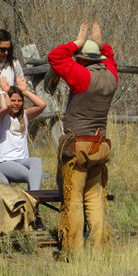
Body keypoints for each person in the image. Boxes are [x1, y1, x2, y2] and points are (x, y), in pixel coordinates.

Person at [48, 21, 117, 258]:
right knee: (95, 198)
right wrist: (101, 45)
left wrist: (76, 42)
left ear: (82, 59)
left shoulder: (81, 76)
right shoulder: (111, 78)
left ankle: (73, 251)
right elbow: (111, 59)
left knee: (74, 198)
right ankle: (99, 249)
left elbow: (55, 57)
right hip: (100, 146)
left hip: (77, 146)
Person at [0, 75, 47, 229]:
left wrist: (25, 91)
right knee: (30, 175)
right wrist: (3, 93)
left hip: (22, 159)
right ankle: (35, 213)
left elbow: (42, 104)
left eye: (19, 100)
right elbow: (4, 108)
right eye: (13, 100)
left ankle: (33, 210)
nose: (16, 104)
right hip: (4, 162)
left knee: (36, 161)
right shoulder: (2, 116)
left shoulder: (24, 115)